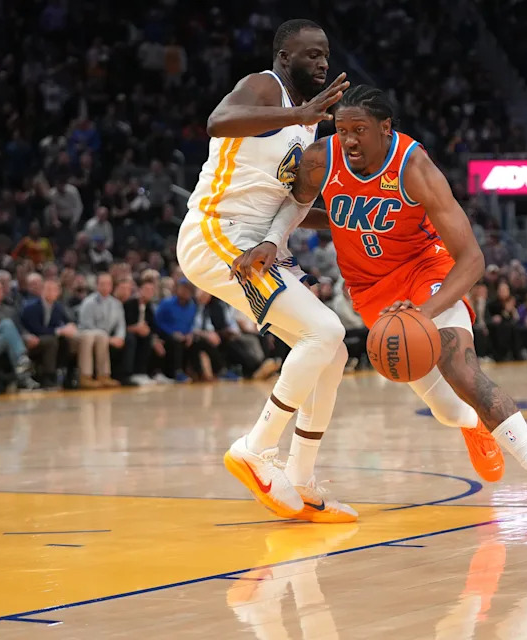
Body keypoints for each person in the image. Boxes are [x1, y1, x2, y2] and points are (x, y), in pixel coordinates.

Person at [236, 85, 527, 538]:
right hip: (371, 292)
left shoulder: (415, 167)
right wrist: (273, 238)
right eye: (342, 130)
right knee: (447, 410)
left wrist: (425, 310)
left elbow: (473, 259)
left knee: (465, 375)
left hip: (427, 273)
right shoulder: (320, 160)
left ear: (387, 129)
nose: (349, 140)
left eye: (359, 130)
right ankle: (473, 426)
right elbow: (299, 203)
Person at [175, 18, 359, 524]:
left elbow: (293, 203)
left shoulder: (309, 124)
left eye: (325, 55)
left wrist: (349, 218)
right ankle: (255, 449)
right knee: (324, 329)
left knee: (333, 350)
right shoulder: (264, 86)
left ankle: (301, 480)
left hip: (256, 244)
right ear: (284, 57)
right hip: (217, 232)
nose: (321, 63)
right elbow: (217, 121)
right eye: (310, 55)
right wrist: (296, 111)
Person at [21, 278, 78, 388]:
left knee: (69, 341)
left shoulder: (58, 307)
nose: (51, 292)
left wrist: (71, 326)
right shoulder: (31, 307)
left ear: (58, 292)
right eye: (48, 289)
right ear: (42, 291)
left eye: (54, 290)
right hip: (31, 339)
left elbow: (68, 321)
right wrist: (59, 331)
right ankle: (48, 376)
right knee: (52, 340)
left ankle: (68, 375)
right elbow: (37, 329)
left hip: (50, 339)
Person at [77, 272, 125, 388]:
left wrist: (119, 337)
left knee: (103, 337)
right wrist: (108, 338)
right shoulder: (88, 302)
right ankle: (85, 376)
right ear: (97, 285)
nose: (105, 286)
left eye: (108, 284)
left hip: (105, 337)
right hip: (87, 334)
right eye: (102, 284)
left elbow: (121, 325)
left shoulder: (116, 303)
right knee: (97, 336)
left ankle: (104, 376)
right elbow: (86, 325)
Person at [154, 278, 197, 382]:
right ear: (177, 289)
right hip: (166, 334)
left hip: (185, 335)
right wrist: (172, 332)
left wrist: (190, 334)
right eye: (182, 288)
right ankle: (177, 372)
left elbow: (191, 323)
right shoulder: (166, 303)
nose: (185, 291)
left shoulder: (192, 306)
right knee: (176, 341)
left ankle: (197, 372)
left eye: (188, 289)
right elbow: (157, 322)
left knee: (197, 342)